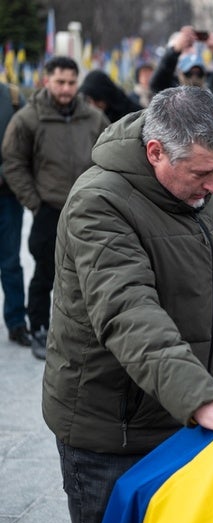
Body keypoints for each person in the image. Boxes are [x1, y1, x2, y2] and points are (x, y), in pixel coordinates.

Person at [42, 86, 213, 523]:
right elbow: (129, 312)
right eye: (202, 173)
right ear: (156, 152)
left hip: (182, 417)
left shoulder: (200, 187)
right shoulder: (98, 202)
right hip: (115, 432)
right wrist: (203, 400)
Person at [2, 56, 110, 360]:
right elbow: (13, 162)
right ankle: (38, 327)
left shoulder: (93, 117)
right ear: (46, 80)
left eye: (71, 82)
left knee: (94, 274)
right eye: (60, 82)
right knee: (45, 274)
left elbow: (110, 152)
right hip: (50, 210)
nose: (66, 89)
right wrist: (34, 202)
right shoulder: (28, 118)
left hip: (90, 210)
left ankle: (90, 336)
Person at [0, 82, 29, 346]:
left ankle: (17, 322)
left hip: (7, 196)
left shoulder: (13, 97)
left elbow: (29, 141)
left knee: (9, 262)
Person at [149, 26, 213, 98]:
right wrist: (175, 51)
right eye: (186, 47)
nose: (191, 52)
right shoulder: (169, 84)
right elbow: (157, 82)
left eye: (193, 46)